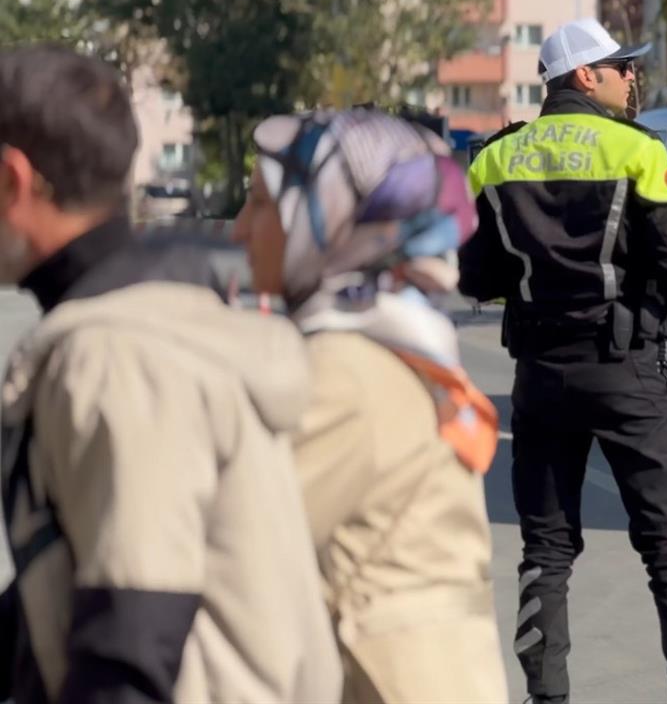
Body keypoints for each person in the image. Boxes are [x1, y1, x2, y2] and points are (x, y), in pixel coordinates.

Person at [0, 46, 340, 702]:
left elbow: (130, 644)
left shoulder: (116, 355)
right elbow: (78, 567)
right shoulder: (152, 316)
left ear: (14, 181)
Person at [459, 17, 667, 704]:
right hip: (627, 370)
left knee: (544, 553)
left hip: (540, 376)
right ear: (584, 75)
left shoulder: (493, 158)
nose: (633, 76)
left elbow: (476, 276)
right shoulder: (636, 149)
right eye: (621, 66)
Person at [232, 108, 508, 704]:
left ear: (330, 217)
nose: (238, 230)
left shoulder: (347, 371)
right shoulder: (391, 339)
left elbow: (231, 546)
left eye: (259, 204)